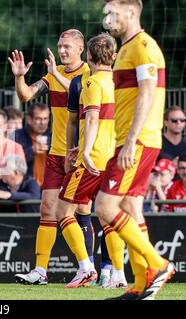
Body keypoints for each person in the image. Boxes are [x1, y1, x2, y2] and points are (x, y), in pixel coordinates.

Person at [98, 0, 175, 300]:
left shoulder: (143, 45)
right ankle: (143, 286)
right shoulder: (126, 49)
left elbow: (147, 92)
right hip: (133, 139)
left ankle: (158, 265)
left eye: (112, 12)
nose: (107, 19)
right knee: (130, 209)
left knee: (105, 208)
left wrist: (130, 141)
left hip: (138, 140)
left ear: (131, 12)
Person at [9, 29, 90, 285]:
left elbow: (84, 98)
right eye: (59, 46)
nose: (62, 50)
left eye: (67, 46)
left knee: (80, 212)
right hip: (57, 152)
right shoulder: (52, 76)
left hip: (81, 154)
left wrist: (56, 74)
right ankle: (40, 271)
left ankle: (93, 269)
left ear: (80, 48)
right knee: (47, 210)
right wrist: (20, 78)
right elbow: (25, 95)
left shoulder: (91, 73)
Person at [53, 33, 119, 288]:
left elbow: (91, 119)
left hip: (92, 160)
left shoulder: (92, 83)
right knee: (109, 215)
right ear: (113, 56)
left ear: (88, 56)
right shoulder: (120, 82)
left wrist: (85, 151)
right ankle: (116, 274)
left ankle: (85, 267)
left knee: (63, 210)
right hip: (113, 158)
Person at [14, 102, 51, 187]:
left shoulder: (53, 136)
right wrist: (31, 151)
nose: (42, 123)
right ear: (29, 119)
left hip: (49, 187)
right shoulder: (17, 136)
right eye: (38, 119)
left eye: (45, 119)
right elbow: (12, 164)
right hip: (26, 187)